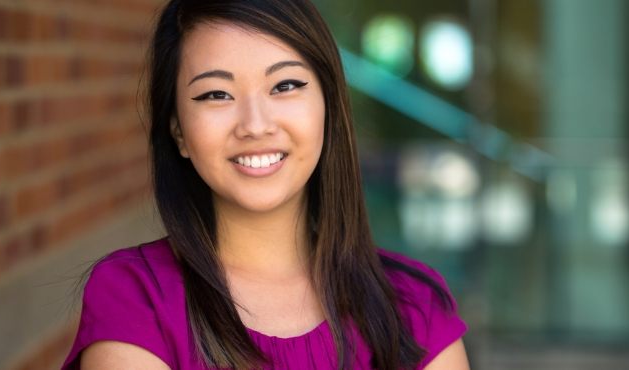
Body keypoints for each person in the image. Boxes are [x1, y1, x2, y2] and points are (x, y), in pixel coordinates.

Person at [60, 0, 469, 368]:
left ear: (328, 104)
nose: (255, 125)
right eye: (216, 94)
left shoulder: (417, 307)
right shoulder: (136, 299)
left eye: (285, 86)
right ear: (179, 131)